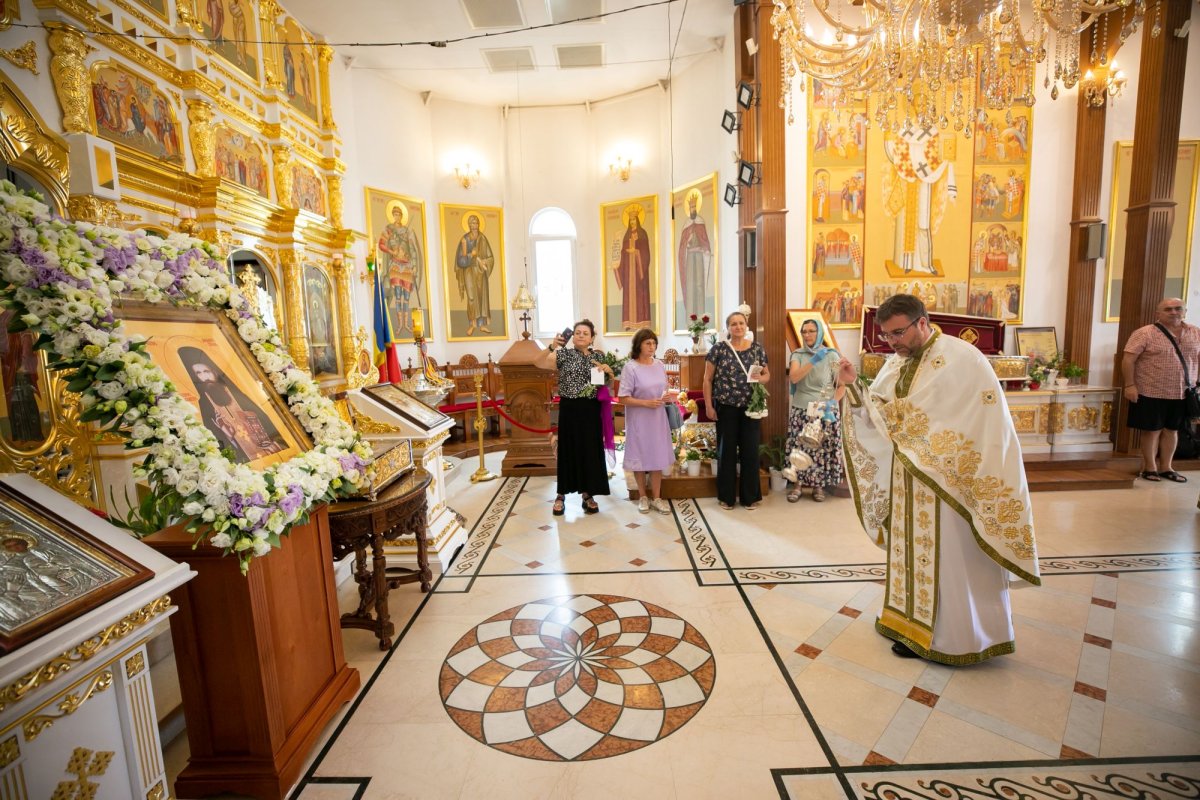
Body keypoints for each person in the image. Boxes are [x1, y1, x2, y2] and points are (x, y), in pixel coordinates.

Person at [835, 294, 1040, 664]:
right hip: (909, 482)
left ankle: (955, 638)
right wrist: (853, 388)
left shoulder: (962, 358)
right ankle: (909, 626)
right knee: (912, 556)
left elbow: (970, 422)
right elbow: (880, 413)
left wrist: (908, 429)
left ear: (922, 322)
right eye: (887, 336)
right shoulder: (897, 364)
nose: (893, 342)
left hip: (950, 483)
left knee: (951, 561)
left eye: (898, 333)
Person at [534, 320, 613, 515]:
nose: (580, 335)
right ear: (572, 336)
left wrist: (609, 373)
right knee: (568, 449)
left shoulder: (597, 357)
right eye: (577, 332)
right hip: (570, 406)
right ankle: (561, 494)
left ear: (592, 338)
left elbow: (604, 386)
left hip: (591, 409)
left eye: (585, 333)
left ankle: (588, 493)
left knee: (589, 450)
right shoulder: (563, 354)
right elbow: (538, 362)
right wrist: (552, 346)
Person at [1122, 298, 1200, 482]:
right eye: (1168, 309)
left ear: (1185, 311)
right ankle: (1150, 467)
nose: (1173, 312)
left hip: (1183, 392)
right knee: (1152, 430)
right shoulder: (1145, 333)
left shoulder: (1195, 333)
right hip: (1151, 390)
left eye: (1178, 308)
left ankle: (1167, 467)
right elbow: (1128, 360)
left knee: (1173, 430)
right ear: (1158, 313)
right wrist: (1129, 385)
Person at [703, 309, 770, 510]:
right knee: (726, 452)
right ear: (728, 328)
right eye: (734, 324)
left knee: (750, 451)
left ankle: (750, 497)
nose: (738, 327)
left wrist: (762, 378)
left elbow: (767, 375)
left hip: (751, 407)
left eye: (741, 323)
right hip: (726, 407)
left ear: (746, 326)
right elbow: (707, 379)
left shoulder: (757, 349)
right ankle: (727, 497)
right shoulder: (719, 349)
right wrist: (708, 405)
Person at [177, 346, 286, 463]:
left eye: (206, 371)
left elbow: (270, 426)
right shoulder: (203, 406)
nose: (204, 377)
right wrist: (230, 437)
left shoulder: (237, 394)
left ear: (214, 372)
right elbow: (217, 449)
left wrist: (274, 442)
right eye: (198, 373)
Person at [786, 319, 844, 502]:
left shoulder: (832, 356)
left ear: (819, 333)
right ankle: (798, 485)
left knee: (821, 450)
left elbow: (841, 385)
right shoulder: (797, 355)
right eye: (804, 331)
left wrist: (832, 403)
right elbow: (794, 378)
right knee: (800, 448)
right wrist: (813, 360)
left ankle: (818, 486)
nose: (808, 335)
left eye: (812, 331)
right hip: (802, 408)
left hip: (824, 410)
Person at [619, 328, 675, 515]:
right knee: (641, 456)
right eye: (648, 343)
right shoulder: (630, 367)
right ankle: (643, 496)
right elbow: (623, 398)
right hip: (639, 419)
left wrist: (666, 397)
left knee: (657, 456)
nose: (652, 346)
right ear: (639, 345)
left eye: (654, 343)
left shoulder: (659, 365)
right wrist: (645, 403)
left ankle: (657, 498)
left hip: (658, 418)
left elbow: (663, 389)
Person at [378, 202, 423, 334]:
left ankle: (406, 324)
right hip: (396, 266)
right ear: (392, 215)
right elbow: (381, 245)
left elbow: (413, 250)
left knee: (406, 296)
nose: (396, 216)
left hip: (407, 266)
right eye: (394, 214)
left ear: (401, 216)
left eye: (398, 214)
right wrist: (392, 252)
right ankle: (399, 325)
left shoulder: (407, 231)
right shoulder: (388, 229)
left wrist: (414, 265)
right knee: (398, 295)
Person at [454, 214, 495, 336]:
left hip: (481, 272)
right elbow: (460, 261)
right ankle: (472, 324)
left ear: (479, 224)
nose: (474, 226)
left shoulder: (483, 238)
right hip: (469, 272)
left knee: (482, 297)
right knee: (472, 298)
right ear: (468, 225)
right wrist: (471, 255)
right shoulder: (464, 240)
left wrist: (484, 262)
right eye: (471, 223)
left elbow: (490, 257)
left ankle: (482, 325)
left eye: (476, 223)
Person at [613, 209, 652, 331]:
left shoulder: (643, 234)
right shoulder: (626, 236)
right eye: (630, 220)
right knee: (629, 295)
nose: (632, 222)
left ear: (638, 221)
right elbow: (622, 254)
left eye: (634, 220)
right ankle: (628, 323)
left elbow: (646, 254)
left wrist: (636, 252)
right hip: (628, 272)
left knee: (640, 295)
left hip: (639, 274)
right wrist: (617, 265)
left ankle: (642, 323)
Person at [677, 193, 712, 320]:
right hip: (690, 258)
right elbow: (682, 246)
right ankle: (690, 315)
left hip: (699, 258)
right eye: (690, 208)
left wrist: (705, 249)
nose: (692, 210)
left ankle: (701, 314)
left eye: (693, 207)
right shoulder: (686, 225)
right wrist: (687, 242)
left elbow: (705, 241)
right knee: (690, 285)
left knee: (699, 285)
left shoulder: (700, 222)